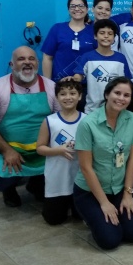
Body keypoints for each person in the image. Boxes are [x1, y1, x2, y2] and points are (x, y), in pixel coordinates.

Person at [0, 46, 59, 207]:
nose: (27, 62)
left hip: (41, 147)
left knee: (49, 179)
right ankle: (8, 190)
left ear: (37, 63)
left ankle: (36, 185)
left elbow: (60, 119)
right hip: (9, 146)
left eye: (31, 58)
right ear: (12, 64)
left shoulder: (51, 87)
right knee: (5, 174)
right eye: (21, 59)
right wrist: (6, 151)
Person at [73, 77, 133, 250]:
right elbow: (86, 167)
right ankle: (92, 215)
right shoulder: (88, 124)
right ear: (107, 94)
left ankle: (116, 213)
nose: (121, 98)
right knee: (110, 240)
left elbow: (132, 159)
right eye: (117, 93)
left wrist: (128, 194)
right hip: (91, 191)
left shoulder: (131, 119)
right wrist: (104, 203)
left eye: (126, 95)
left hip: (120, 188)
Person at [36, 79, 84, 225]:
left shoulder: (86, 120)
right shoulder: (49, 121)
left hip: (80, 178)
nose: (68, 97)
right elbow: (40, 148)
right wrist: (58, 150)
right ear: (57, 97)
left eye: (72, 93)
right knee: (53, 220)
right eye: (63, 94)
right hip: (57, 177)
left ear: (80, 96)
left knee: (80, 217)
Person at [73, 19, 132, 114]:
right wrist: (72, 79)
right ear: (95, 36)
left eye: (110, 34)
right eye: (102, 33)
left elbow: (127, 82)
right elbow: (78, 77)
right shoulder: (87, 57)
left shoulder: (121, 58)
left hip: (117, 111)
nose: (106, 36)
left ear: (114, 38)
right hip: (92, 111)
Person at [41, 0, 96, 82]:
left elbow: (98, 58)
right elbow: (47, 57)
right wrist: (48, 84)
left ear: (87, 9)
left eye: (81, 6)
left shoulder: (93, 31)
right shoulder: (57, 29)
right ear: (68, 10)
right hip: (60, 84)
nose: (77, 9)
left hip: (86, 85)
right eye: (73, 6)